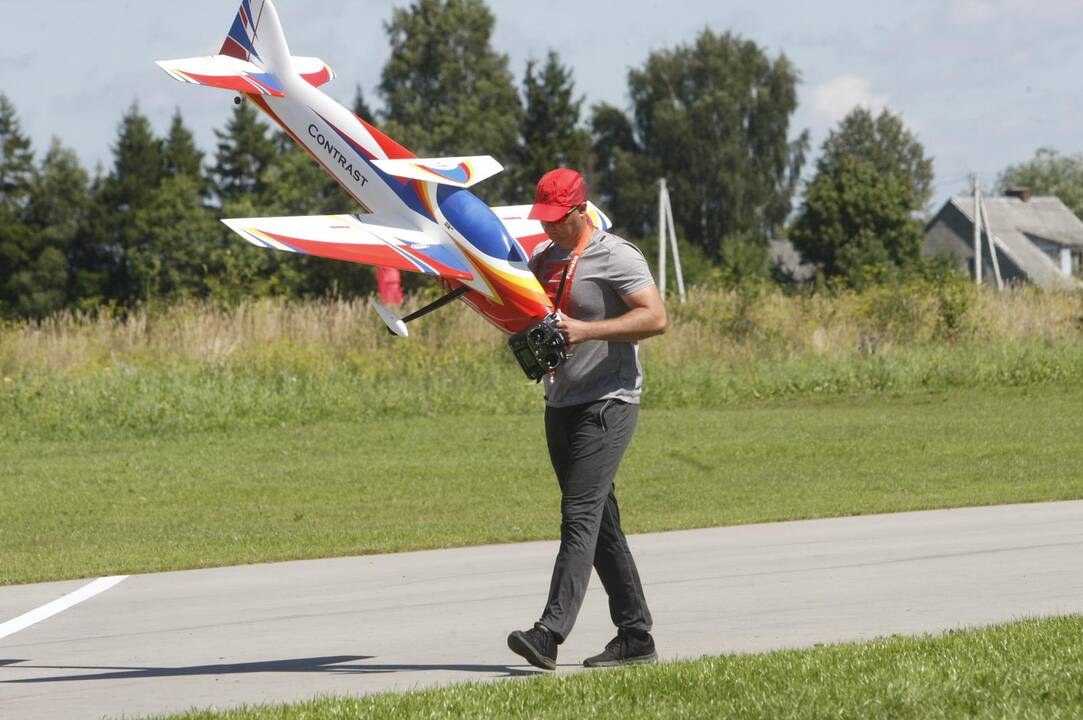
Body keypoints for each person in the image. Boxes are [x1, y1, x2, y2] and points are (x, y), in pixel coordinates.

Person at [506, 168, 667, 670]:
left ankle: (549, 633)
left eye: (558, 219)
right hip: (562, 402)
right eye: (544, 219)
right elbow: (528, 313)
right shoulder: (542, 259)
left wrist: (587, 330)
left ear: (581, 210)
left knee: (579, 515)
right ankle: (636, 636)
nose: (549, 228)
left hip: (610, 399)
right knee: (601, 525)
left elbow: (655, 318)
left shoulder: (617, 255)